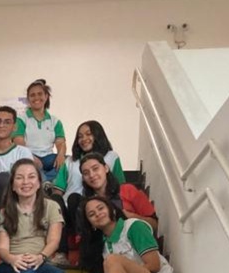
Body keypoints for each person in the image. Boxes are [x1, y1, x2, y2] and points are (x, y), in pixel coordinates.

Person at [50, 120, 126, 263]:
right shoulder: (70, 161)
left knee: (75, 199)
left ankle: (84, 250)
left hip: (88, 209)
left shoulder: (111, 156)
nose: (84, 139)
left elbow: (121, 186)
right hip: (66, 213)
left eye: (88, 134)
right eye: (80, 136)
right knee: (57, 199)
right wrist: (54, 207)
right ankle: (61, 254)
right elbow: (58, 189)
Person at [80, 152, 158, 233]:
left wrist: (131, 217)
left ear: (106, 168)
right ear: (83, 178)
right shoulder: (87, 205)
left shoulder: (128, 190)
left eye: (95, 168)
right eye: (86, 173)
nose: (91, 175)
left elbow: (154, 225)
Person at [12, 79, 66, 182]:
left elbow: (61, 143)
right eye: (32, 95)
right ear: (28, 99)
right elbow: (19, 143)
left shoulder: (55, 121)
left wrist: (61, 155)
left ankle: (44, 180)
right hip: (29, 157)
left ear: (46, 96)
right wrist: (31, 157)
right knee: (32, 169)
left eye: (40, 94)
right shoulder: (21, 119)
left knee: (66, 163)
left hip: (48, 158)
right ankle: (45, 181)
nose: (36, 97)